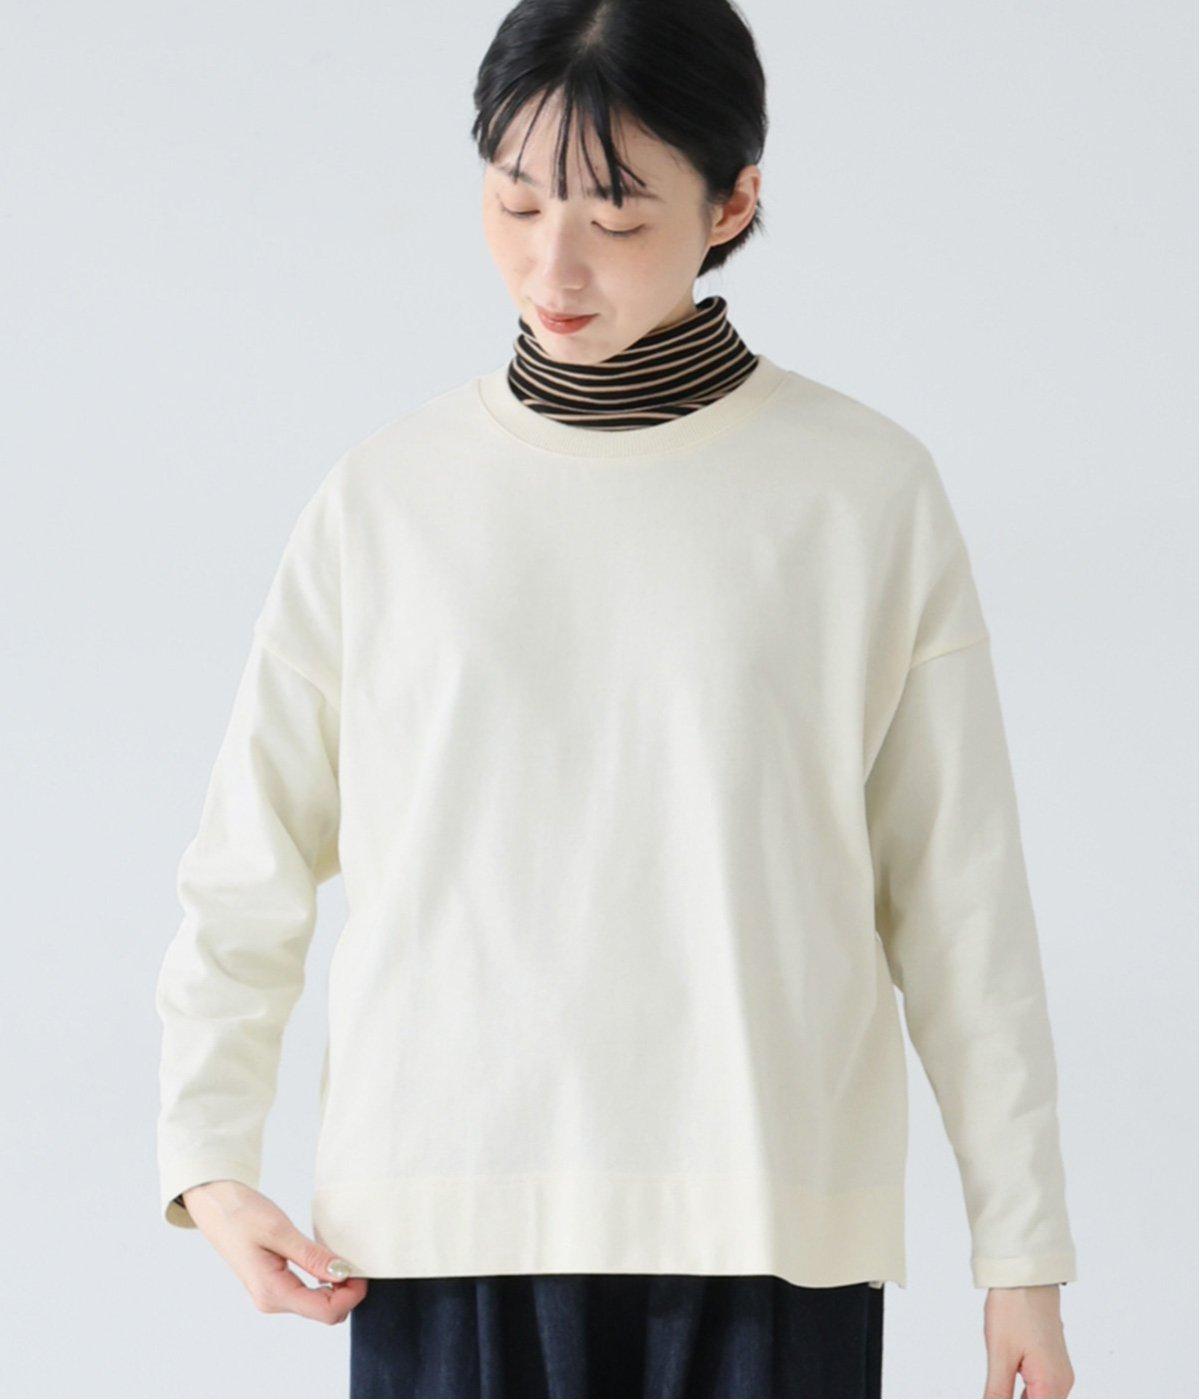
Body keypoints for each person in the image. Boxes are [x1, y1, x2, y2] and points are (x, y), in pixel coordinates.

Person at [154, 2, 1079, 1396]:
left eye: (618, 215)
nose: (554, 265)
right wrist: (208, 1160)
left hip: (765, 1221)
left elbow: (960, 900)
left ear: (733, 204)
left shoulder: (861, 494)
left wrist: (1023, 1253)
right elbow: (249, 859)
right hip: (441, 1219)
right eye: (517, 203)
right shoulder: (386, 501)